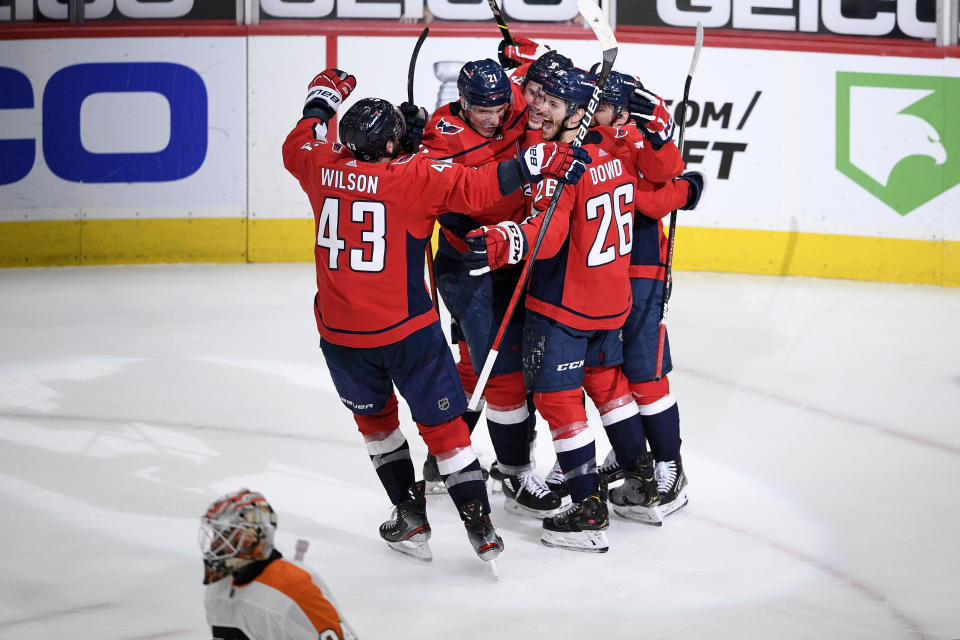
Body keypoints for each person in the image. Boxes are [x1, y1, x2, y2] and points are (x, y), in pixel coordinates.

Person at [282, 69, 588, 561]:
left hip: (341, 338)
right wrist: (535, 161)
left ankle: (409, 519)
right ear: (389, 149)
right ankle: (481, 530)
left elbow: (300, 140)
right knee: (445, 431)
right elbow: (479, 187)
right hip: (408, 333)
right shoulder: (414, 177)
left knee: (377, 428)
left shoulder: (318, 167)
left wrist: (319, 102)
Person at [466, 67, 700, 552]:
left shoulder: (566, 166)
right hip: (610, 302)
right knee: (610, 387)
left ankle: (589, 508)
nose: (538, 108)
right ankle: (637, 473)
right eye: (539, 98)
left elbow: (548, 239)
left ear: (577, 111)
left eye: (552, 103)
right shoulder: (610, 154)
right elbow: (651, 190)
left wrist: (504, 241)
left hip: (564, 304)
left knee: (558, 402)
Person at [421, 59, 562, 519]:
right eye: (481, 109)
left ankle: (446, 455)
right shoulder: (441, 133)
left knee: (476, 364)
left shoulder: (516, 104)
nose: (492, 117)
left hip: (516, 255)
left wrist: (530, 60)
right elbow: (458, 205)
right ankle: (517, 473)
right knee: (500, 376)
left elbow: (542, 90)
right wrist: (517, 187)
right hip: (469, 264)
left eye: (499, 106)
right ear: (462, 101)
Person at [585, 65, 702, 524]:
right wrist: (683, 191)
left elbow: (655, 188)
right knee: (604, 372)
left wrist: (659, 133)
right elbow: (659, 192)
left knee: (644, 371)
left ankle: (670, 464)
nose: (592, 111)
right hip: (598, 275)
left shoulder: (634, 138)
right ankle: (629, 450)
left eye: (603, 104)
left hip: (641, 270)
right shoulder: (585, 138)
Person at [200, 488, 358, 640]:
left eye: (225, 535)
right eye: (215, 534)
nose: (214, 544)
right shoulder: (218, 587)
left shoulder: (296, 590)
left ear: (252, 538)